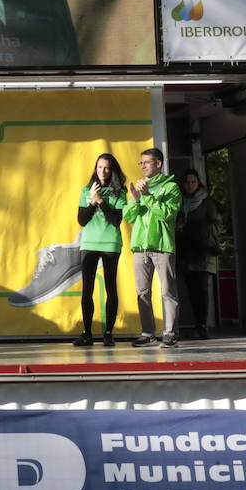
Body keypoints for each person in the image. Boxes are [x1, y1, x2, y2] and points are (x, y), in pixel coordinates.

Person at [124, 148, 182, 349]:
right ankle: (148, 333)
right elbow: (129, 217)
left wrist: (147, 196)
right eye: (141, 163)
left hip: (162, 246)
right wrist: (136, 199)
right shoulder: (141, 187)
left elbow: (166, 214)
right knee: (142, 292)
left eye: (146, 162)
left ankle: (170, 333)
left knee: (168, 290)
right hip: (141, 247)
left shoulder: (171, 187)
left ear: (158, 163)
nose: (142, 166)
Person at [75, 153, 127, 347]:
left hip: (110, 244)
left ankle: (108, 333)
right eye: (99, 167)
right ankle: (87, 333)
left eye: (106, 168)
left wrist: (101, 201)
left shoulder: (120, 193)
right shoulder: (86, 190)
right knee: (87, 290)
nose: (102, 171)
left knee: (111, 288)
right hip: (89, 244)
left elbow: (115, 221)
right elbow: (82, 220)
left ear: (112, 170)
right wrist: (91, 201)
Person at [176, 168, 220, 340]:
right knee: (191, 290)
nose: (190, 185)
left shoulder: (207, 202)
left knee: (202, 289)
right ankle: (197, 325)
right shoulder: (181, 202)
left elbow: (215, 226)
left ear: (198, 183)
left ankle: (203, 326)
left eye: (193, 182)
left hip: (203, 251)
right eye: (187, 182)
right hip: (187, 252)